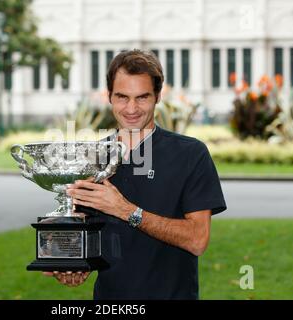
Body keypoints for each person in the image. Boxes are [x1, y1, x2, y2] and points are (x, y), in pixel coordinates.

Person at [43, 49, 227, 299]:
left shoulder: (191, 154)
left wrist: (126, 210)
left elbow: (197, 239)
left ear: (158, 96)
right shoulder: (90, 158)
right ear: (109, 96)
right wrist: (72, 263)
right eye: (122, 97)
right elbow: (83, 236)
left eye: (142, 97)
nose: (131, 108)